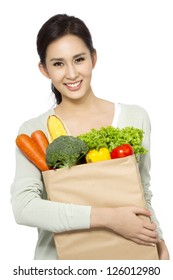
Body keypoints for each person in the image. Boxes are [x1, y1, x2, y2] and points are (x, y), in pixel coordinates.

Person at [11, 14, 169, 260]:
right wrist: (108, 219)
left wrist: (157, 240)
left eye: (79, 59)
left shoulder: (134, 117)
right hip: (58, 265)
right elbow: (24, 208)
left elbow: (143, 191)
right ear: (44, 69)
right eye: (58, 64)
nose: (72, 73)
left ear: (93, 58)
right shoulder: (34, 131)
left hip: (129, 260)